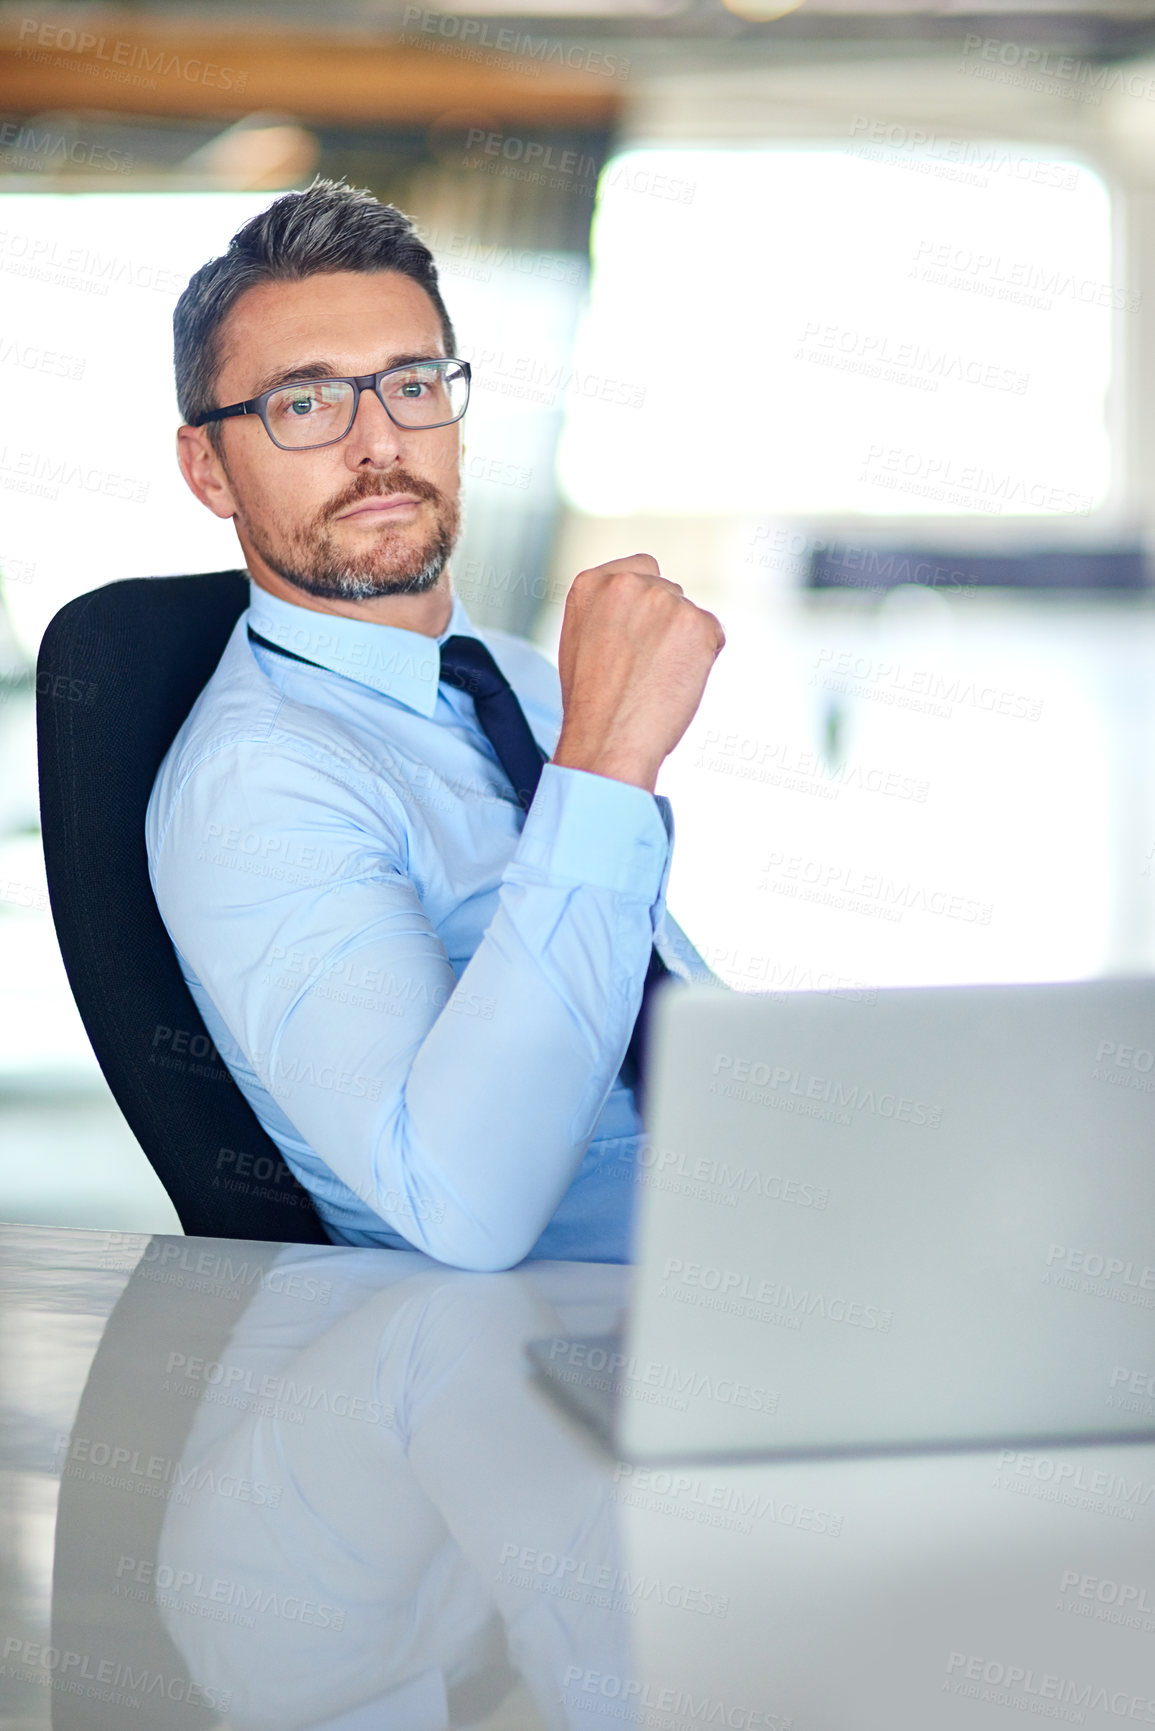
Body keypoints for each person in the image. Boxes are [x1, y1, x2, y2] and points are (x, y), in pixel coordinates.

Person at [146, 177, 725, 1272]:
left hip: (762, 1248)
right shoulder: (257, 782)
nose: (378, 444)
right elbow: (466, 1209)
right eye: (305, 402)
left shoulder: (514, 684)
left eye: (410, 384)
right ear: (209, 469)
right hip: (559, 1348)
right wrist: (605, 767)